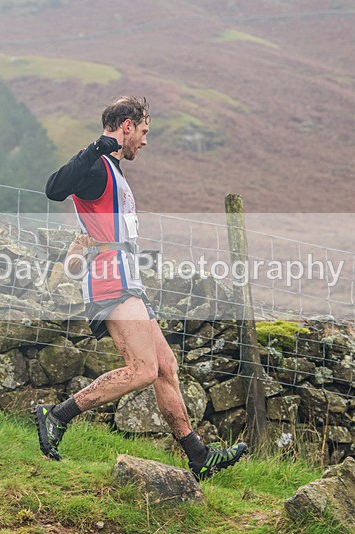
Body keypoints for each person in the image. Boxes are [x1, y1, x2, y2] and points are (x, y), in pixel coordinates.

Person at [36, 96, 247, 480]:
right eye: (145, 132)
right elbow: (54, 188)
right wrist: (95, 147)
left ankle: (198, 456)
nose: (146, 142)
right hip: (109, 279)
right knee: (143, 369)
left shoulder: (114, 171)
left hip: (127, 278)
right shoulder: (98, 165)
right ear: (127, 126)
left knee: (166, 366)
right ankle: (57, 415)